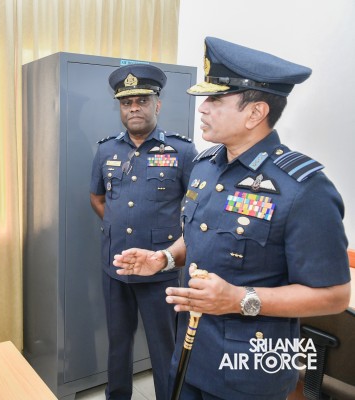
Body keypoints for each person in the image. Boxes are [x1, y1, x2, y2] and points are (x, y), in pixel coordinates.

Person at [113, 37, 351, 400]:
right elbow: (201, 236)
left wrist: (240, 299)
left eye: (215, 100)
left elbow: (334, 296)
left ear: (255, 113)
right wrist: (163, 258)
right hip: (192, 351)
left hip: (251, 368)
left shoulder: (303, 188)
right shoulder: (205, 167)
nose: (203, 109)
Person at [90, 64, 198, 400]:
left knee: (164, 346)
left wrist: (166, 248)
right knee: (117, 343)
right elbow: (97, 198)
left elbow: (195, 210)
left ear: (157, 105)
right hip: (116, 267)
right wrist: (118, 227)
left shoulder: (182, 152)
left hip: (160, 271)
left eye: (142, 101)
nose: (134, 108)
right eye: (126, 103)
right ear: (120, 108)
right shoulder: (106, 150)